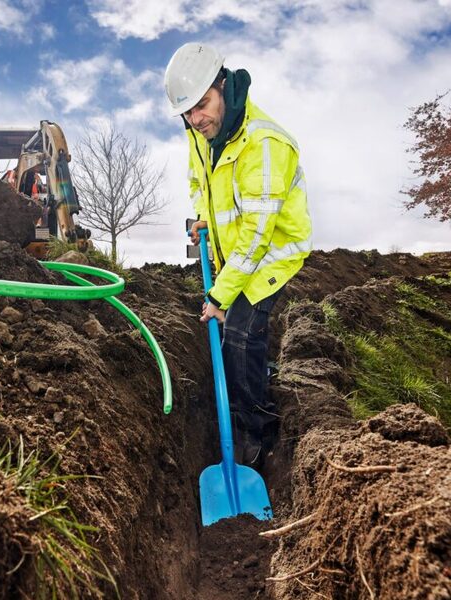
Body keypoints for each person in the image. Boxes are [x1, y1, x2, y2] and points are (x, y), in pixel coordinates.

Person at [164, 43, 312, 467]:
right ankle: (253, 382)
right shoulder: (201, 131)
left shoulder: (265, 144)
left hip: (273, 252)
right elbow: (202, 181)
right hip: (238, 249)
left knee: (242, 336)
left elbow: (257, 237)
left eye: (203, 105)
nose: (196, 119)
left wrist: (219, 298)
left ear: (223, 87)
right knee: (236, 335)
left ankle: (260, 433)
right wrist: (202, 218)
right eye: (188, 112)